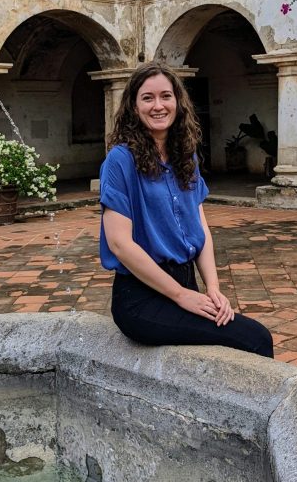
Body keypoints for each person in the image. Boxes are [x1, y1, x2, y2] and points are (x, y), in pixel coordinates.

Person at [99, 61, 273, 358]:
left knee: (239, 335)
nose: (158, 106)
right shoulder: (120, 160)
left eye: (166, 96)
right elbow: (120, 244)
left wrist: (213, 289)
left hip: (186, 281)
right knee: (254, 338)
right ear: (133, 106)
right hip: (141, 297)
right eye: (147, 97)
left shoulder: (185, 156)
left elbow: (200, 228)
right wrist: (181, 297)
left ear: (178, 102)